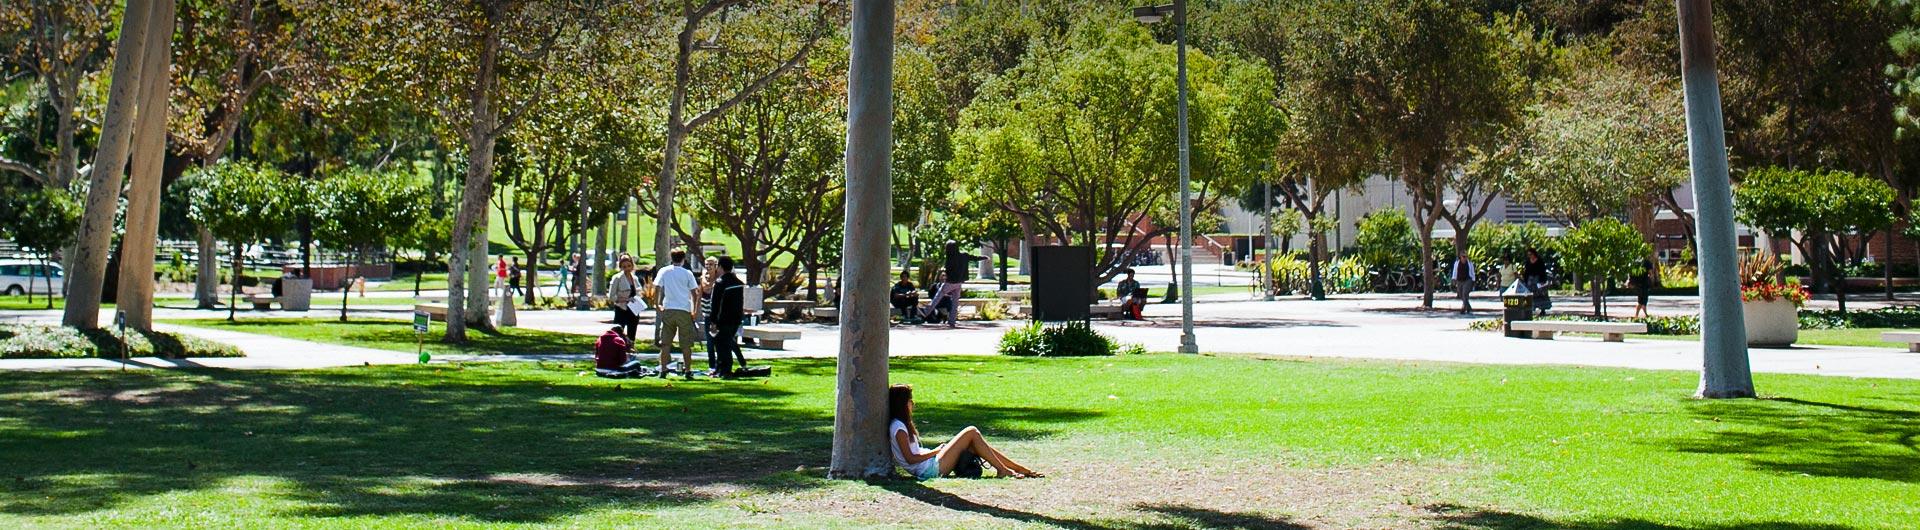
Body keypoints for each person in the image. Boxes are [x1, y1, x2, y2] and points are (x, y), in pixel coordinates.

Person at [889, 384, 1041, 480]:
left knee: (975, 444)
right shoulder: (899, 428)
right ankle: (1003, 469)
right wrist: (935, 451)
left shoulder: (901, 425)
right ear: (902, 404)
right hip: (929, 470)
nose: (912, 404)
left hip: (930, 464)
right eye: (910, 400)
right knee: (971, 431)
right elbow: (910, 458)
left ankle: (1017, 468)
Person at [653, 249, 701, 379]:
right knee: (686, 344)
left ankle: (663, 369)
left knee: (666, 342)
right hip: (684, 310)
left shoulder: (664, 271)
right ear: (683, 259)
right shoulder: (687, 273)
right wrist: (695, 310)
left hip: (668, 309)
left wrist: (657, 304)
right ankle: (688, 370)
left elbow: (657, 287)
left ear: (671, 257)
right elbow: (694, 293)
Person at [706, 256, 748, 378]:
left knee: (721, 345)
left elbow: (715, 304)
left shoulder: (720, 283)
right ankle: (720, 369)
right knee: (726, 344)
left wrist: (713, 321)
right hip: (735, 319)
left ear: (720, 267)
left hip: (723, 319)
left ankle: (725, 370)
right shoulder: (738, 283)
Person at [608, 255, 643, 345]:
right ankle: (617, 352)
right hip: (621, 309)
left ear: (632, 265)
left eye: (629, 266)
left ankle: (630, 351)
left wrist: (638, 298)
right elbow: (612, 296)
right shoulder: (617, 278)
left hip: (634, 310)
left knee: (632, 334)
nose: (627, 268)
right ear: (620, 267)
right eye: (624, 266)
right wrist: (626, 299)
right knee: (618, 334)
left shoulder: (635, 278)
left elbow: (639, 291)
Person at [1523, 248, 1552, 316]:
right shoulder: (1528, 262)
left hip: (1538, 279)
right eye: (1528, 255)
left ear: (1534, 254)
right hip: (1530, 280)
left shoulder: (1540, 261)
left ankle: (1543, 309)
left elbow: (1543, 271)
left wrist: (1543, 280)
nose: (1530, 256)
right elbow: (1526, 272)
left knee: (1541, 294)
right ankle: (1531, 309)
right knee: (1530, 295)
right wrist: (1525, 280)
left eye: (1531, 254)